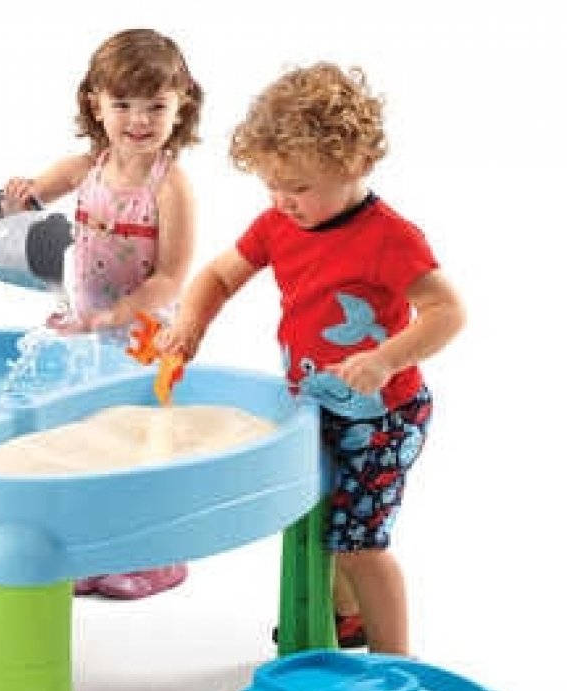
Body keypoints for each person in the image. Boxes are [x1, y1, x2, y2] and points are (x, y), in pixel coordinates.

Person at [158, 63, 465, 654]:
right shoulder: (278, 223)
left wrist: (385, 359)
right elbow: (219, 275)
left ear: (356, 165)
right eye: (272, 186)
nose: (283, 201)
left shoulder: (389, 237)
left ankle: (395, 662)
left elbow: (447, 311)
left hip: (384, 419)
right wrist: (192, 324)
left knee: (360, 544)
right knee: (327, 521)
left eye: (298, 187)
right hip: (316, 406)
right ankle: (345, 619)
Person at [3, 28, 203, 600]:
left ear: (181, 105)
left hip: (147, 338)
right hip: (91, 331)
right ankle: (100, 551)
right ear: (95, 104)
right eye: (123, 105)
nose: (139, 120)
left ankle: (160, 556)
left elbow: (171, 277)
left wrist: (119, 314)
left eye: (156, 106)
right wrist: (19, 196)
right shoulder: (87, 167)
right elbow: (32, 196)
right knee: (93, 437)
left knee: (146, 443)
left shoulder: (171, 186)